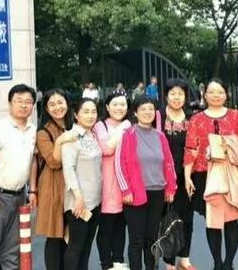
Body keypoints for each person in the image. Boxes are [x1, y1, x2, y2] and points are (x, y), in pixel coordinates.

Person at [184, 78, 238, 270]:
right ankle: (217, 264)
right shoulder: (196, 119)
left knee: (231, 220)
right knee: (212, 221)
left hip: (230, 173)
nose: (216, 95)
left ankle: (228, 264)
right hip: (206, 176)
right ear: (205, 94)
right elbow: (191, 149)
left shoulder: (236, 116)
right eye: (211, 92)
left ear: (226, 94)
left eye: (220, 91)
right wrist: (187, 176)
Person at [115, 95, 177, 270]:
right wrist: (126, 190)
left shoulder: (160, 136)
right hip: (135, 194)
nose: (147, 112)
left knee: (152, 238)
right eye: (143, 109)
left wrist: (171, 188)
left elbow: (169, 163)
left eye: (151, 109)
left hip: (158, 193)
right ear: (135, 112)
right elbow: (119, 164)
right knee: (136, 239)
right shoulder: (128, 135)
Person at [0, 84, 38, 270]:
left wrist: (32, 190)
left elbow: (33, 161)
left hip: (19, 196)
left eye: (28, 101)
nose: (24, 105)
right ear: (9, 104)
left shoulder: (33, 130)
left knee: (12, 251)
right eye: (19, 101)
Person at [35, 89, 77, 270]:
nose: (57, 107)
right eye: (51, 104)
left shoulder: (75, 125)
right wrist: (61, 141)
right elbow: (53, 161)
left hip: (73, 186)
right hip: (53, 186)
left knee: (72, 236)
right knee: (55, 236)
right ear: (46, 108)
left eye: (60, 102)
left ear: (67, 103)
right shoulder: (43, 132)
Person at [160, 78, 197, 270]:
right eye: (172, 93)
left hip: (187, 176)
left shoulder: (191, 117)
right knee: (169, 218)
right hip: (164, 177)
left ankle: (185, 258)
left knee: (187, 218)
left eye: (180, 94)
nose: (176, 97)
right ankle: (169, 262)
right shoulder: (158, 117)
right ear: (166, 96)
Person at [61, 98, 103, 270]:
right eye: (85, 111)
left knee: (86, 246)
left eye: (93, 111)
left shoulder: (93, 135)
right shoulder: (71, 137)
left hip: (95, 200)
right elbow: (68, 169)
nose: (90, 115)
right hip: (78, 202)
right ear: (76, 115)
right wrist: (78, 198)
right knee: (76, 246)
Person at [93, 91, 132, 270]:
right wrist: (123, 127)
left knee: (120, 227)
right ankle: (106, 264)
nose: (119, 108)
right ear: (107, 107)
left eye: (123, 104)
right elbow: (107, 148)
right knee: (106, 228)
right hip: (107, 186)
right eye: (115, 104)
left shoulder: (130, 126)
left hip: (125, 186)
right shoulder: (100, 126)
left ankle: (118, 261)